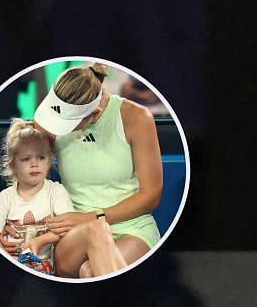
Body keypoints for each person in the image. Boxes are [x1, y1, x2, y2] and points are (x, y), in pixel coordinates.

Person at [30, 62, 163, 278]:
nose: (58, 127)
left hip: (132, 227)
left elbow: (151, 196)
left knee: (90, 270)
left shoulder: (137, 118)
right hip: (72, 233)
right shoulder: (48, 121)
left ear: (94, 114)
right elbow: (26, 174)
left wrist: (94, 216)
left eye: (69, 122)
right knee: (96, 230)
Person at [0, 119, 72, 275]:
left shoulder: (56, 191)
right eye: (26, 159)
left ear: (49, 161)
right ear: (12, 165)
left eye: (41, 158)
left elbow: (67, 226)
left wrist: (40, 241)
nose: (34, 164)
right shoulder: (4, 198)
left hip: (42, 266)